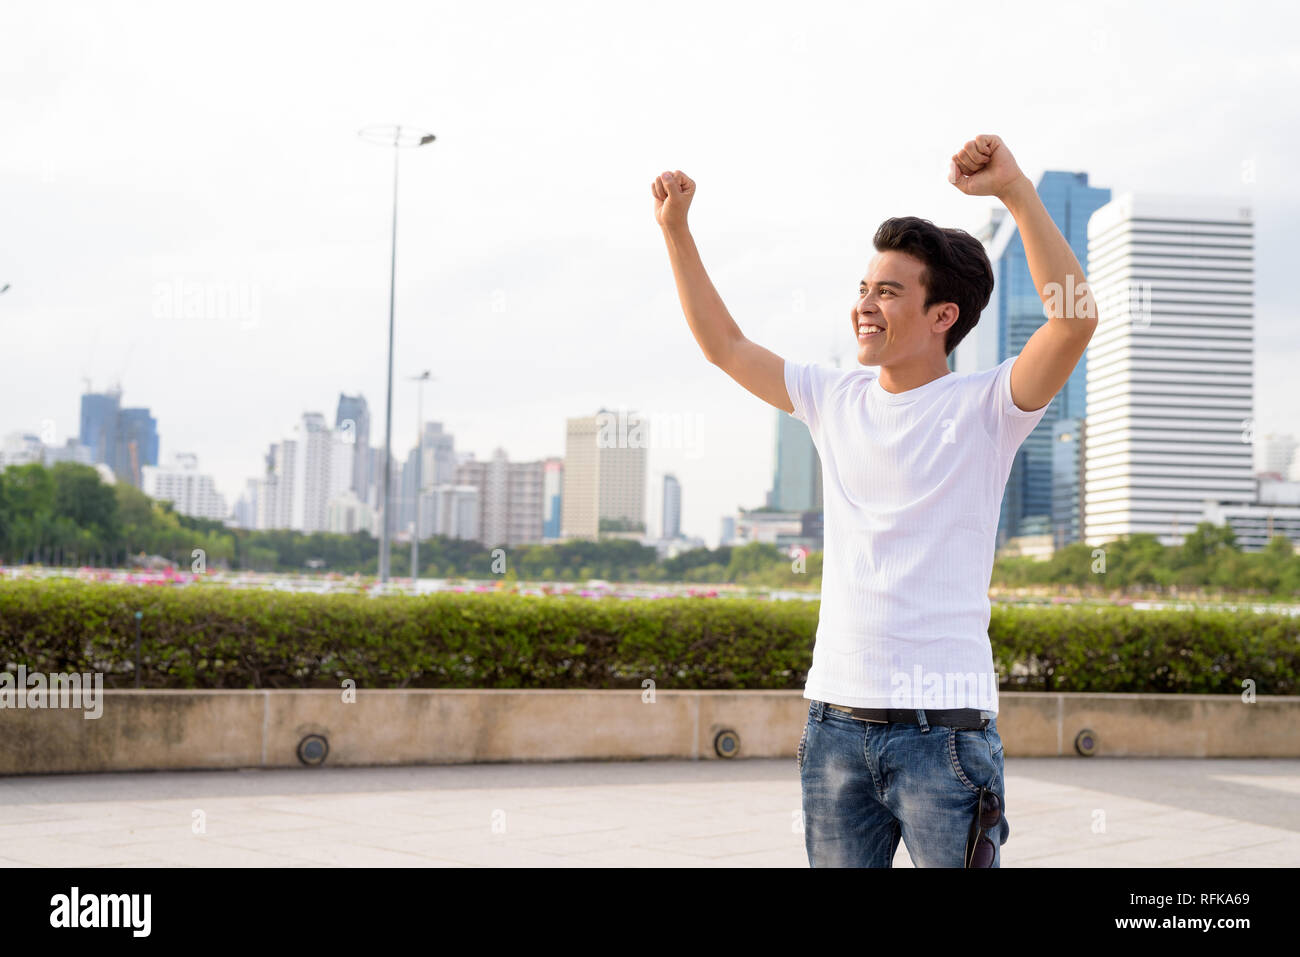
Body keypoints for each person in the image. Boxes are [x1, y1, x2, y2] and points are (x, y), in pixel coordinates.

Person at [651, 135, 1098, 867]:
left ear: (942, 315)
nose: (865, 305)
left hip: (945, 738)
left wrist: (1014, 189)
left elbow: (1074, 321)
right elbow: (725, 345)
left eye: (888, 291)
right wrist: (677, 231)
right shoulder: (834, 398)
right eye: (864, 288)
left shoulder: (987, 407)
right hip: (834, 728)